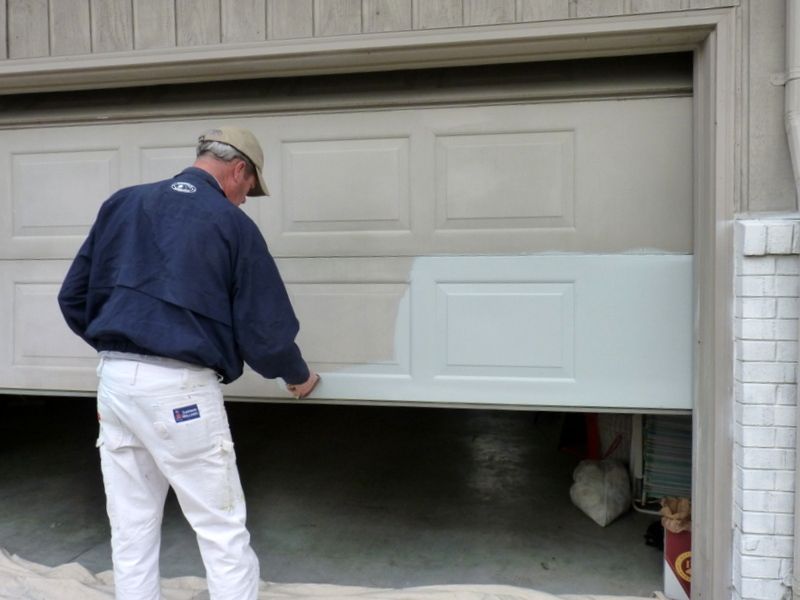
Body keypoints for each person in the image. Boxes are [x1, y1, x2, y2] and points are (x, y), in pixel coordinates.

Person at [58, 126, 320, 600]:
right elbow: (265, 329)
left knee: (131, 525)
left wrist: (118, 344)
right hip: (180, 393)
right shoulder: (232, 224)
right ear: (239, 169)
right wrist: (297, 376)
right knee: (221, 528)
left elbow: (73, 295)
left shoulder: (123, 203)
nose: (244, 199)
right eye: (249, 189)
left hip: (115, 384)